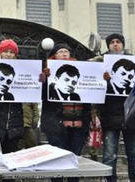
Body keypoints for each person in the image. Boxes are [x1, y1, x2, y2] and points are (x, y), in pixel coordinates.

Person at [40, 43, 91, 182]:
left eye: (67, 51)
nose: (64, 53)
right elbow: (39, 95)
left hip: (78, 126)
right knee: (57, 162)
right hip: (56, 127)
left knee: (74, 162)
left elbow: (92, 93)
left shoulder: (82, 70)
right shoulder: (47, 72)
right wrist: (43, 81)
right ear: (54, 55)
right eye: (60, 51)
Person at [95, 33, 135, 182]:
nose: (115, 44)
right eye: (112, 42)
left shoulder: (132, 61)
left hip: (131, 116)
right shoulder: (101, 63)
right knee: (109, 155)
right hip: (110, 116)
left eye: (118, 42)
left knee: (133, 154)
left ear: (123, 44)